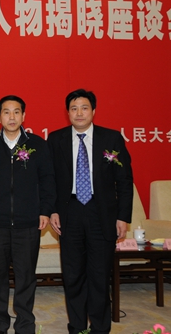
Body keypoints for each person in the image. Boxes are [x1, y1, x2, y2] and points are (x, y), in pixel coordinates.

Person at [48, 89, 133, 334]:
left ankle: (100, 328)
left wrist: (123, 217)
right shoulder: (56, 139)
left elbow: (124, 180)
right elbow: (49, 179)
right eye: (74, 108)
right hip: (70, 212)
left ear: (93, 111)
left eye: (84, 108)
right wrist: (52, 210)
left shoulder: (111, 138)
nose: (79, 113)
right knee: (73, 275)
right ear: (67, 113)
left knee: (99, 275)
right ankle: (76, 327)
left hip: (102, 213)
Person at [0, 96, 56, 334]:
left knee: (26, 277)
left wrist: (45, 210)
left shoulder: (38, 145)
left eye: (16, 112)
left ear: (24, 116)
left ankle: (25, 324)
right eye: (6, 112)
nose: (12, 117)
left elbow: (48, 181)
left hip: (27, 223)